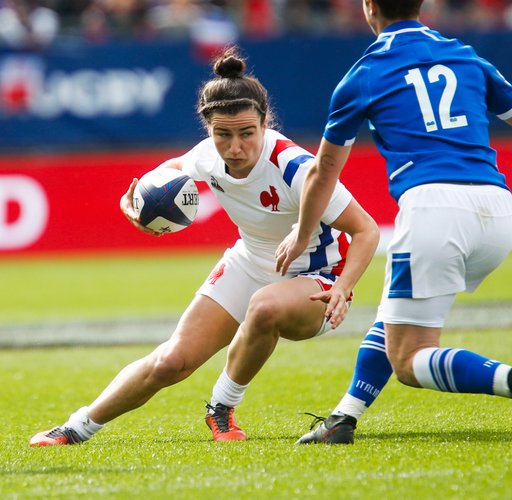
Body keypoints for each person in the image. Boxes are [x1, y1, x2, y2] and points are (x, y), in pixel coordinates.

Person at [29, 47, 379, 446]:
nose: (235, 147)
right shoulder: (207, 157)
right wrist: (138, 204)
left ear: (265, 124)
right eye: (222, 135)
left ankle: (221, 408)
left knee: (265, 307)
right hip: (250, 262)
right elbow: (171, 170)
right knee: (171, 361)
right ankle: (76, 428)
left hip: (319, 277)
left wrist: (344, 287)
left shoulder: (295, 167)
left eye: (247, 133)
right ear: (209, 130)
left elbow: (366, 230)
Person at [276, 0, 512, 444]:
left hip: (433, 209)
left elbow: (323, 172)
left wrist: (303, 234)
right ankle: (342, 419)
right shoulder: (467, 57)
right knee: (395, 316)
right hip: (498, 210)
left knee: (409, 359)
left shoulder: (364, 73)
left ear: (368, 7)